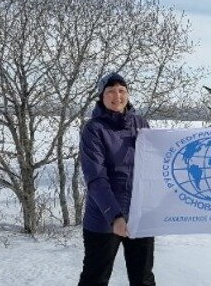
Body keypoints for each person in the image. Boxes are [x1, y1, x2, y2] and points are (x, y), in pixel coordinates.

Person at [78, 72, 156, 286]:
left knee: (143, 279)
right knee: (95, 279)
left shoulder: (141, 124)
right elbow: (96, 178)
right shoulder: (94, 130)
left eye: (122, 90)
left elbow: (154, 166)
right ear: (101, 97)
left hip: (139, 217)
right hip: (104, 219)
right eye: (110, 91)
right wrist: (115, 217)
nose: (117, 96)